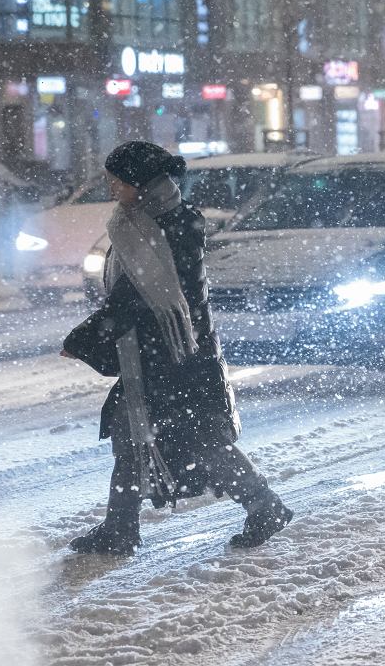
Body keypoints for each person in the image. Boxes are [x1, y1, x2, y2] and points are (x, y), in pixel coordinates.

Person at [62, 141, 292, 556]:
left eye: (117, 179)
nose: (111, 186)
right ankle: (121, 527)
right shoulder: (134, 221)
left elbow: (136, 297)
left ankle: (264, 505)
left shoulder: (173, 224)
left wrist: (84, 339)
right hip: (154, 353)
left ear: (139, 180)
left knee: (198, 440)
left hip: (178, 354)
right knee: (133, 433)